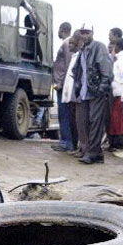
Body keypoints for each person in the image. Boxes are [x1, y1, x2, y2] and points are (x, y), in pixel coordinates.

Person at [72, 23, 114, 164]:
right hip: (85, 91)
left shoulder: (98, 47)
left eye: (87, 32)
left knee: (95, 122)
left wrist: (102, 89)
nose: (84, 35)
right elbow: (79, 71)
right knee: (84, 122)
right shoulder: (82, 50)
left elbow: (106, 70)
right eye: (82, 33)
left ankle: (93, 153)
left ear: (92, 32)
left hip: (96, 91)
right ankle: (95, 153)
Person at [52, 22, 74, 152]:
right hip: (62, 84)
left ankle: (66, 142)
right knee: (63, 113)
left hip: (63, 85)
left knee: (64, 113)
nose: (58, 32)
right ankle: (64, 141)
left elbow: (68, 65)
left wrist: (61, 83)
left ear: (63, 30)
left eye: (59, 30)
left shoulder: (66, 44)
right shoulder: (66, 43)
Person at [62, 31, 84, 155]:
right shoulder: (74, 56)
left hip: (76, 95)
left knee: (78, 123)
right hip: (70, 95)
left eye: (72, 43)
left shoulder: (80, 56)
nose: (69, 45)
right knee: (72, 122)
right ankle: (74, 146)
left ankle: (79, 147)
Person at [108, 38, 123, 152]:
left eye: (114, 46)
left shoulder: (121, 60)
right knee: (118, 120)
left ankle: (119, 144)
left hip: (120, 93)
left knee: (118, 120)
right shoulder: (122, 58)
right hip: (119, 92)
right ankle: (119, 143)